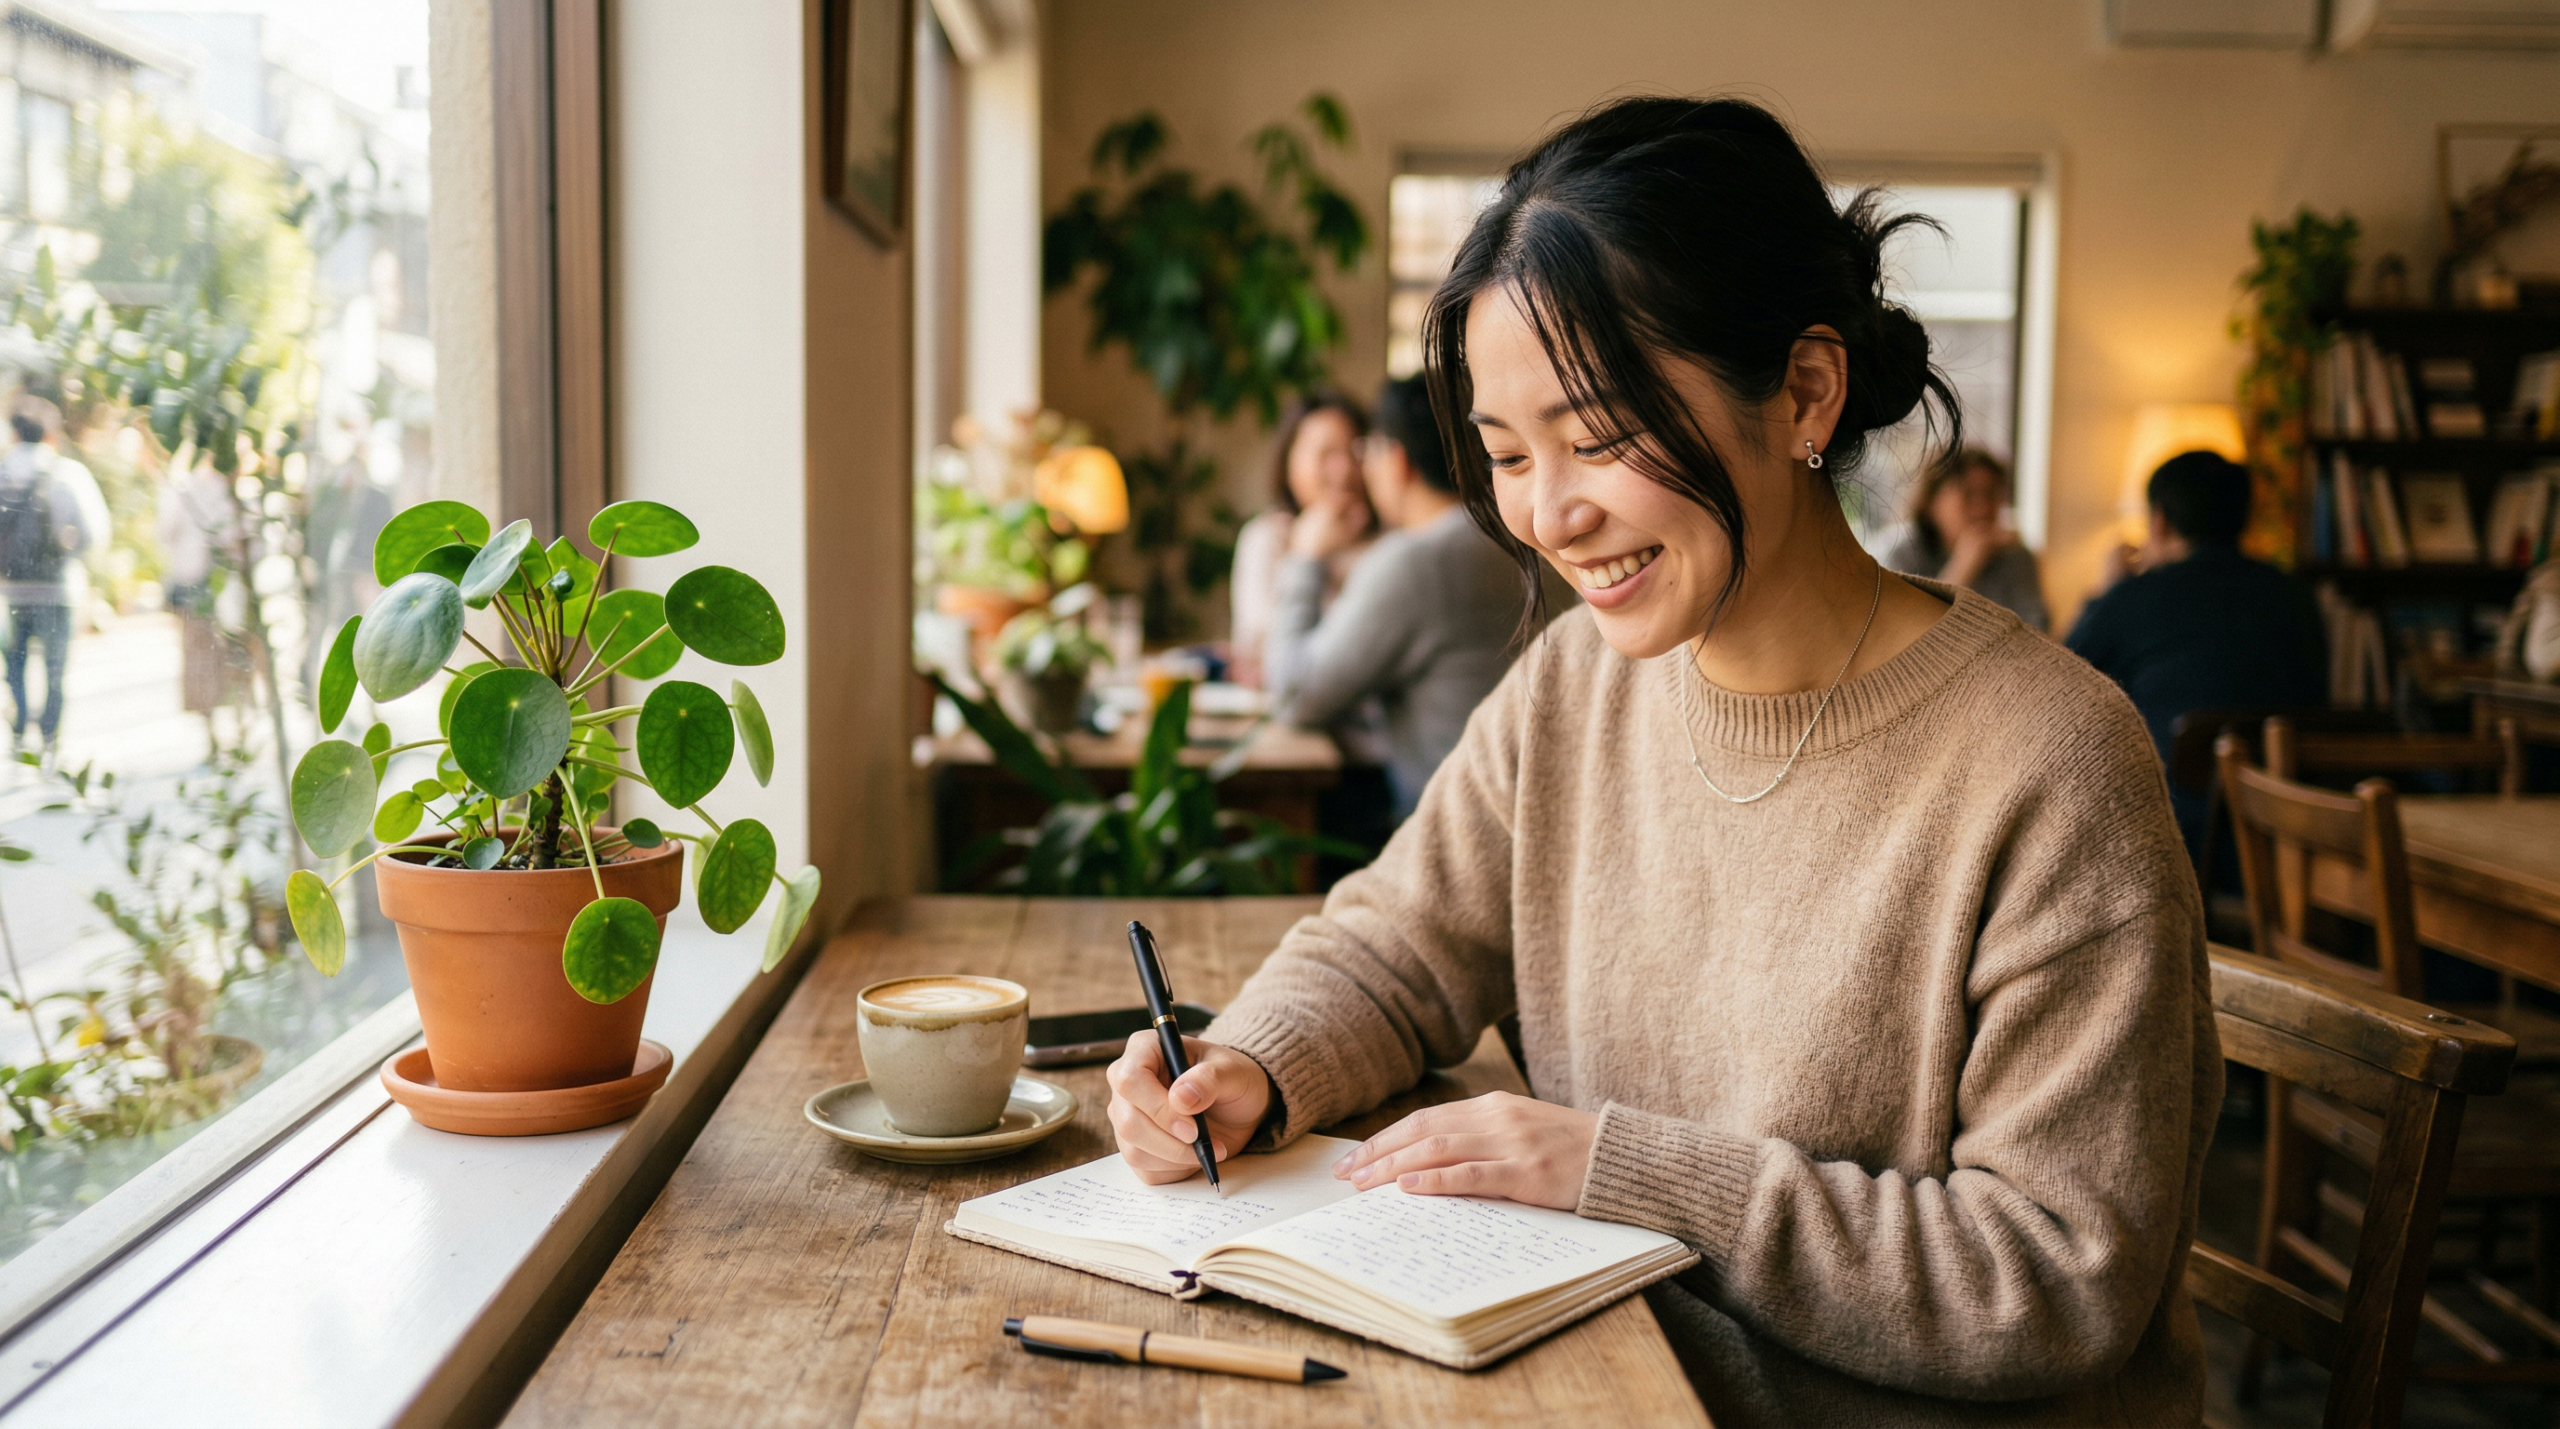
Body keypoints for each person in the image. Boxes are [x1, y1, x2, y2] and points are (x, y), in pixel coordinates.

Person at [1107, 97, 2216, 1426]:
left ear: (1805, 393)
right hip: (1615, 1373)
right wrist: (1250, 1065)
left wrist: (1618, 1173)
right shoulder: (1579, 681)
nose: (1549, 512)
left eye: (1597, 437)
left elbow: (2049, 1280)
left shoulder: (2051, 761)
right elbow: (1397, 942)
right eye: (1507, 455)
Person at [1267, 375, 1559, 819]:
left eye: (1365, 451)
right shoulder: (1525, 540)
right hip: (1544, 815)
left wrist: (1305, 559)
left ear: (1396, 460)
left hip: (1449, 833)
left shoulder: (1413, 563)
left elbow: (1295, 695)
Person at [2067, 451, 2327, 851]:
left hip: (2168, 835)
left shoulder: (2134, 598)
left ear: (2159, 521)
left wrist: (2107, 591)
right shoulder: (2296, 596)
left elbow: (2060, 685)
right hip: (2283, 832)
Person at [1228, 392, 1375, 688]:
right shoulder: (1266, 538)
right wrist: (1307, 553)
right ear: (1289, 462)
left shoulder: (1388, 544)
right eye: (1326, 454)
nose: (1344, 469)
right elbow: (1262, 654)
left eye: (1354, 452)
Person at [0, 405, 100, 756]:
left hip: (11, 590)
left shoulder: (2, 472)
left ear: (15, 433)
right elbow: (92, 534)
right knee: (55, 669)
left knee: (15, 664)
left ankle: (18, 729)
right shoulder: (67, 473)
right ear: (52, 435)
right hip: (57, 588)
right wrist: (66, 552)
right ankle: (49, 738)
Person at [1878, 445, 2047, 631]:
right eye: (1969, 494)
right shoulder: (1901, 554)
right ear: (1931, 503)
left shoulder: (2014, 556)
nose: (1983, 508)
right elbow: (1901, 633)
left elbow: (2037, 630)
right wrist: (1962, 569)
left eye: (1991, 495)